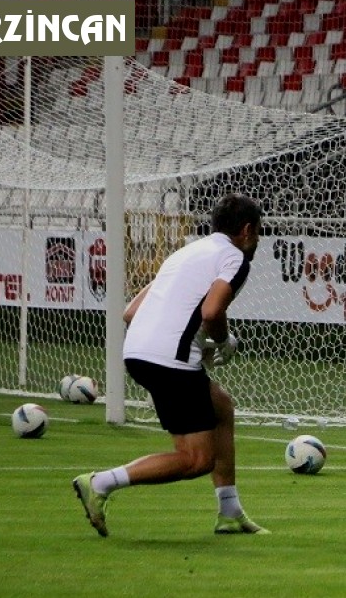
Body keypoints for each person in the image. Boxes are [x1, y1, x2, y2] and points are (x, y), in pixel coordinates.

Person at [72, 193, 269, 536]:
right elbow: (211, 312)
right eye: (258, 233)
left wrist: (194, 346)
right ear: (248, 230)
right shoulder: (235, 258)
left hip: (137, 351)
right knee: (196, 460)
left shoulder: (186, 252)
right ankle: (100, 482)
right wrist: (223, 342)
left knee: (220, 405)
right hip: (169, 361)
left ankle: (230, 511)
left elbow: (130, 313)